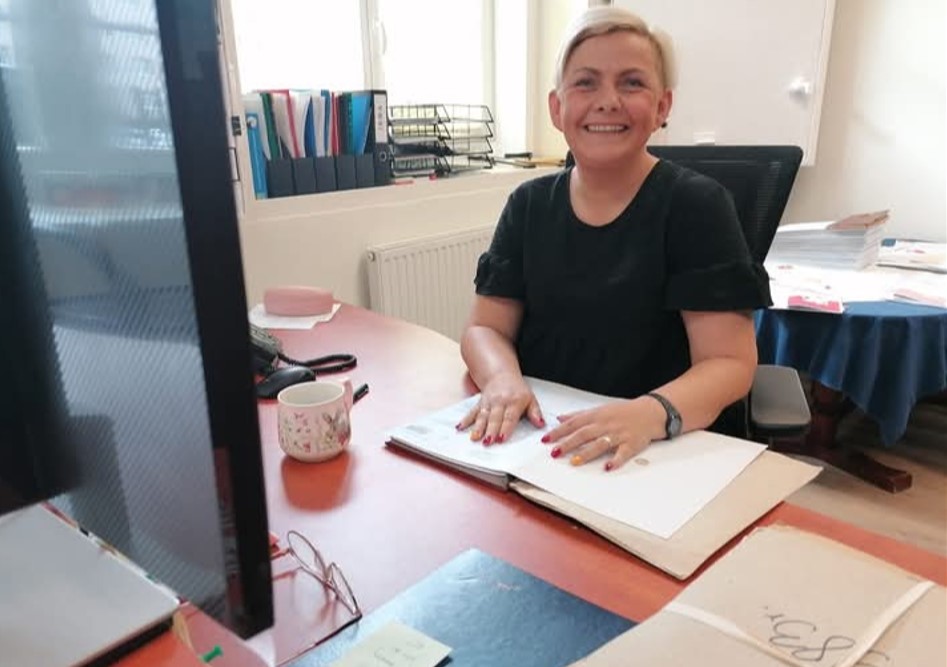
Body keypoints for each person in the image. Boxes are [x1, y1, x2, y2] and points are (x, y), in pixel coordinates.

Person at [457, 6, 771, 471]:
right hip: (542, 441)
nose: (607, 101)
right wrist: (502, 379)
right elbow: (485, 328)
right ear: (557, 108)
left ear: (662, 107)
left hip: (657, 452)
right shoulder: (527, 205)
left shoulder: (698, 206)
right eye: (585, 82)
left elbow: (729, 363)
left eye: (632, 82)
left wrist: (648, 414)